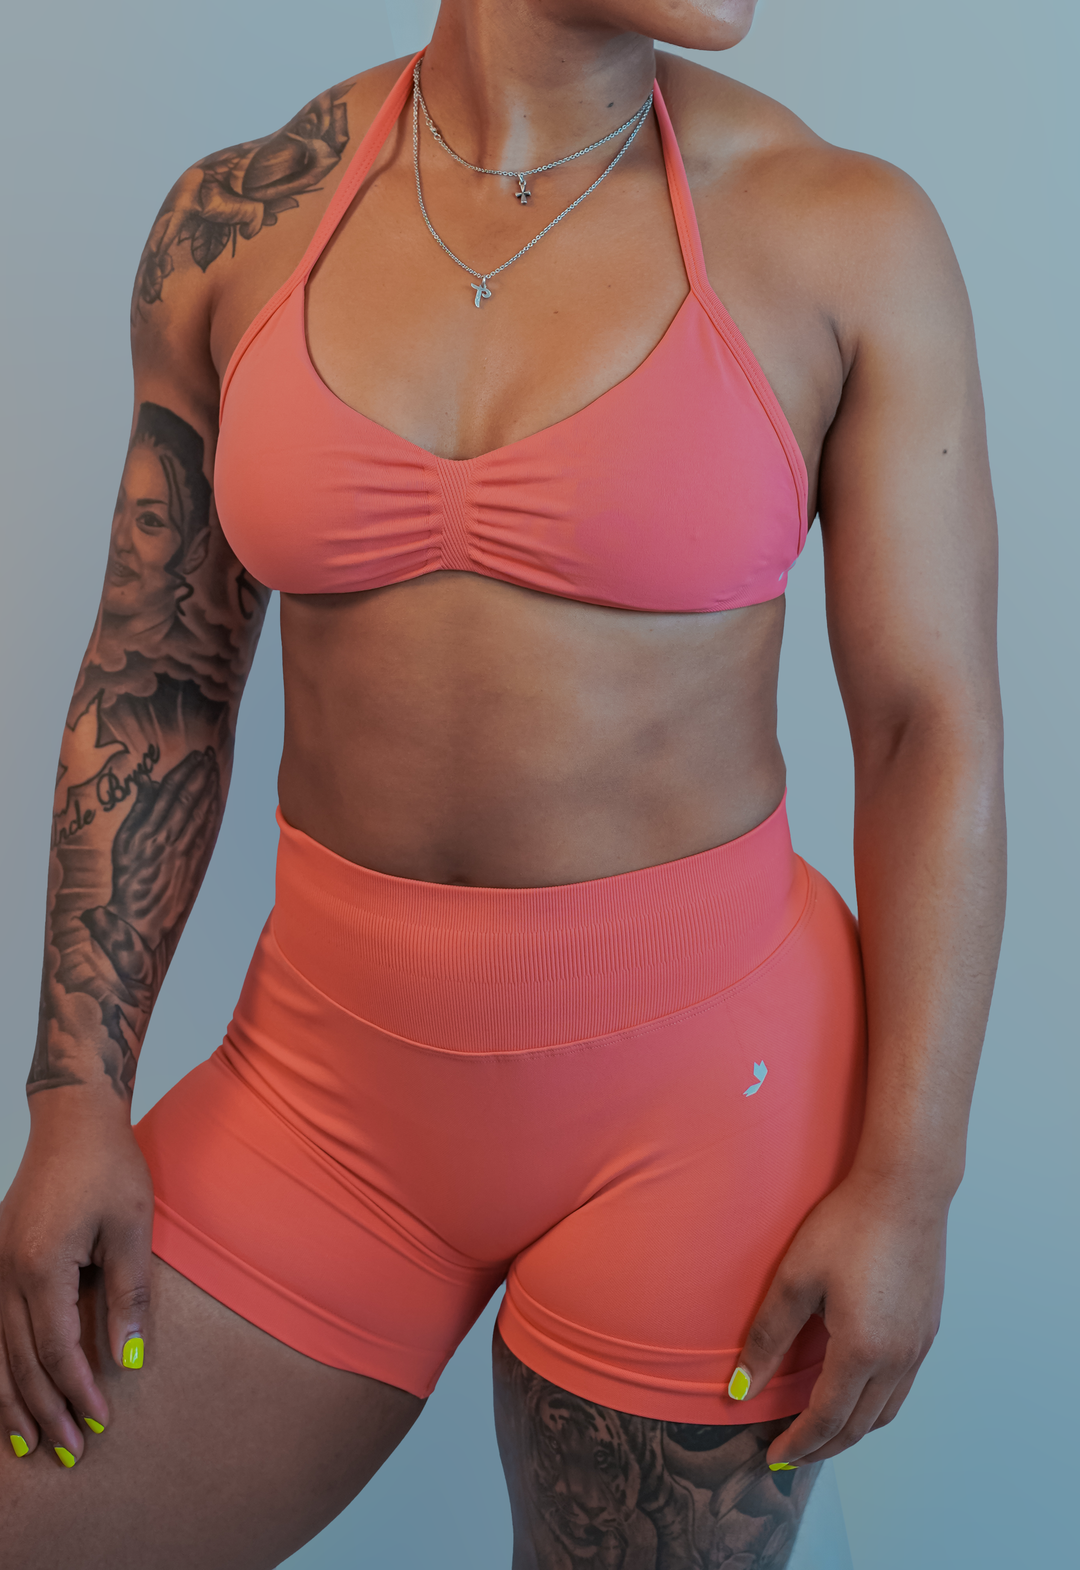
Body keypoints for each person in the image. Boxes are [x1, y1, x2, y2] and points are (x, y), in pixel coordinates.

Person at [0, 1, 1004, 1565]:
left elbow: (925, 728)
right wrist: (74, 1094)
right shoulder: (239, 222)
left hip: (712, 1102)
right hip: (324, 1090)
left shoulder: (840, 234)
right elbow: (160, 680)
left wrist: (912, 1180)